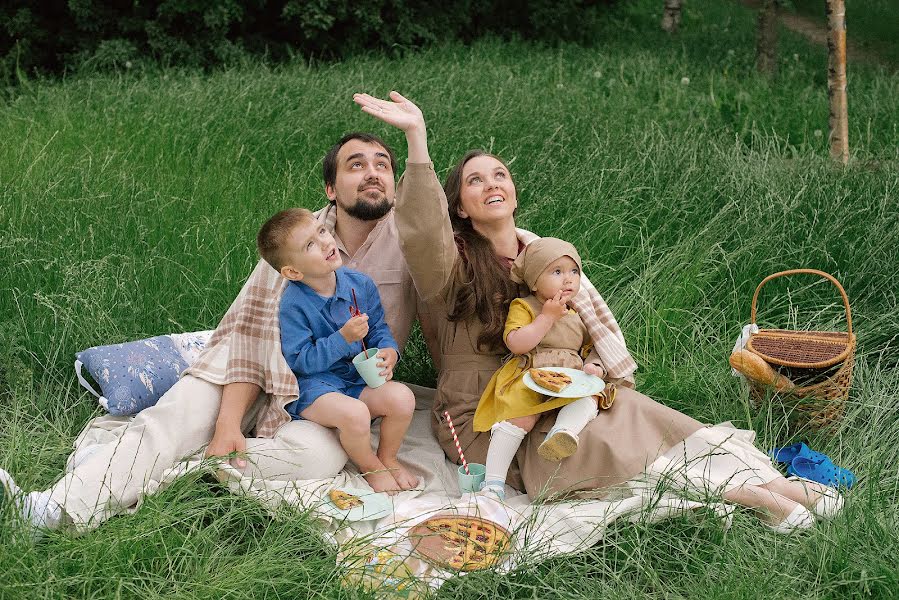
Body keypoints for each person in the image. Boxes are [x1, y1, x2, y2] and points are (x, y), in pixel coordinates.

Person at [353, 91, 844, 532]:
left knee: (634, 412)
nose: (491, 184)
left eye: (499, 174)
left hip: (558, 386)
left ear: (514, 190)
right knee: (595, 446)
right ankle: (751, 495)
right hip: (485, 409)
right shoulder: (450, 267)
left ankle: (769, 485)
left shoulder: (548, 262)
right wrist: (417, 140)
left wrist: (587, 365)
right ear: (457, 206)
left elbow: (575, 332)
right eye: (474, 181)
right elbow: (421, 230)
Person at [0, 132, 436, 532]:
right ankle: (51, 510)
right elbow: (248, 337)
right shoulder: (292, 240)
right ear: (330, 188)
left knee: (318, 457)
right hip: (253, 370)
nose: (373, 172)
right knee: (179, 418)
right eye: (355, 165)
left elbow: (464, 246)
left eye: (382, 164)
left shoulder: (412, 241)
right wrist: (228, 422)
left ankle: (160, 470)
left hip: (330, 393)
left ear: (396, 183)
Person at [257, 208, 418, 492]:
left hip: (354, 379)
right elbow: (300, 360)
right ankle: (369, 465)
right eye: (309, 245)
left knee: (403, 399)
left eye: (321, 231)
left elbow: (379, 327)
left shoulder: (360, 285)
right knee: (355, 414)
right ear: (292, 271)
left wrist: (389, 351)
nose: (324, 242)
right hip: (313, 388)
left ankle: (387, 457)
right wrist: (342, 339)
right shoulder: (294, 305)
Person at [473, 237, 604, 499]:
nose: (568, 279)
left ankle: (563, 433)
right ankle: (493, 483)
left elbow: (592, 347)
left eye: (574, 272)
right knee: (518, 415)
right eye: (557, 272)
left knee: (591, 398)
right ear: (533, 281)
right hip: (532, 372)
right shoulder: (525, 306)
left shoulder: (578, 314)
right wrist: (546, 318)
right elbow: (516, 343)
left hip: (571, 377)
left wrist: (594, 366)